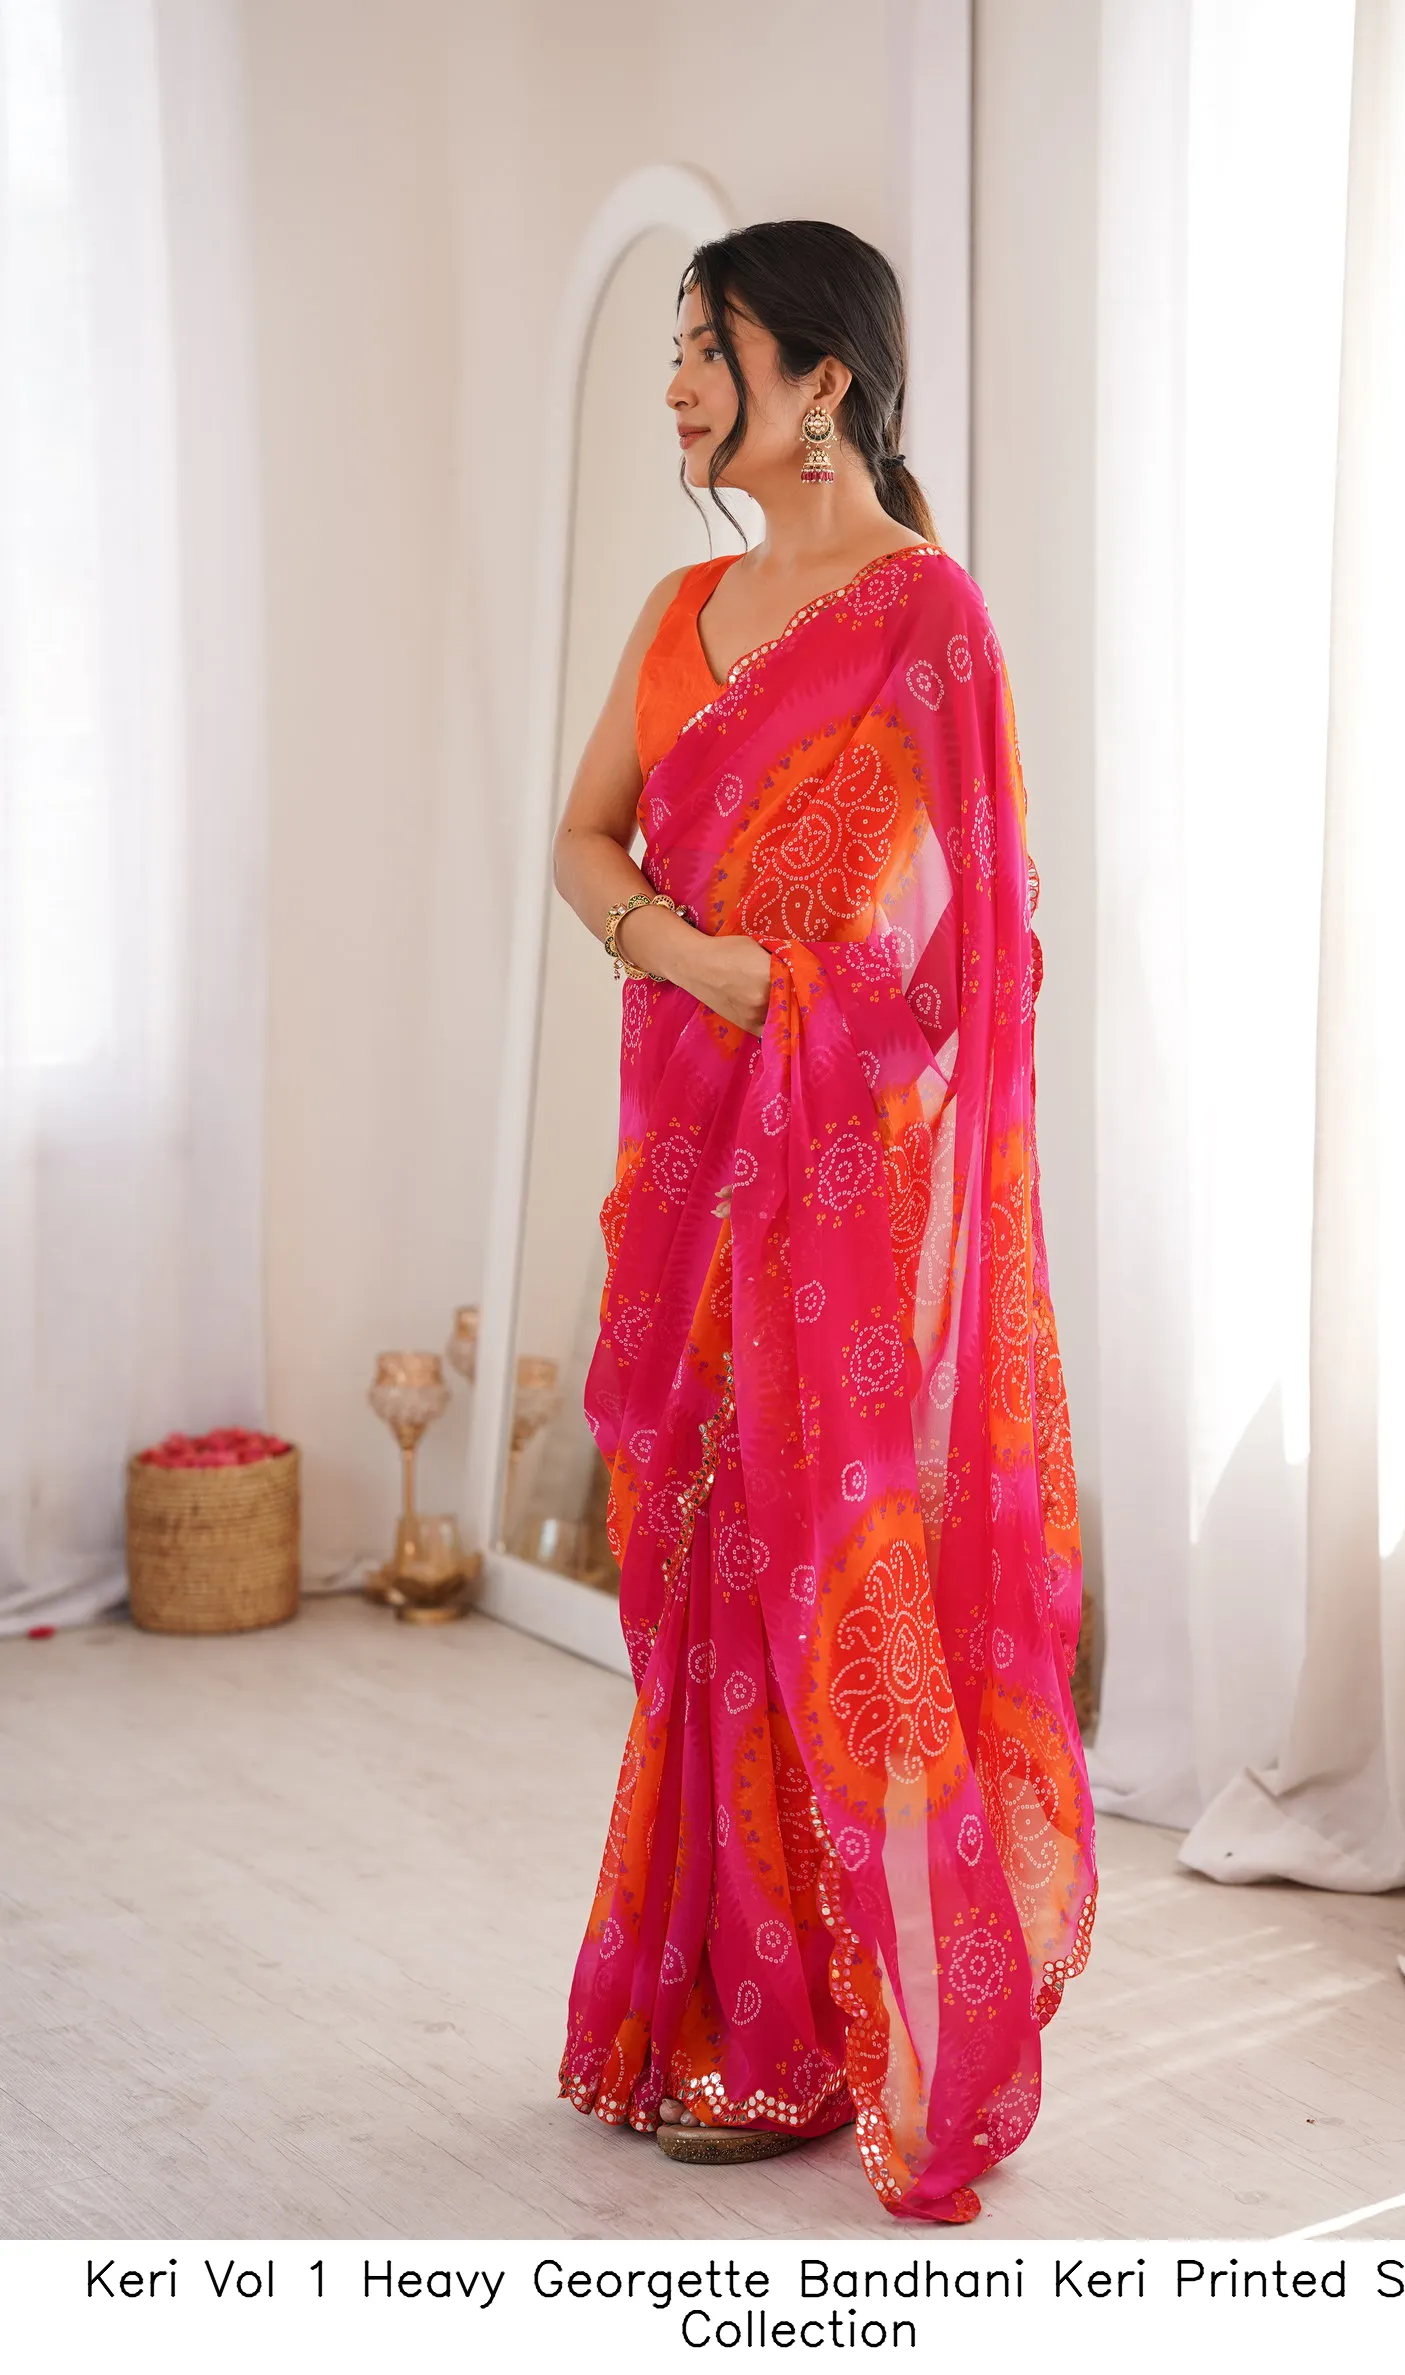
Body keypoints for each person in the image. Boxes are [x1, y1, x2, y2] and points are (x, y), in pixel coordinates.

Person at [550, 220, 1096, 2227]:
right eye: (675, 351)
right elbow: (577, 838)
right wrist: (686, 957)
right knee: (698, 1567)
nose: (679, 385)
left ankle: (859, 2038)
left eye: (710, 348)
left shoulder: (923, 613)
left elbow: (983, 949)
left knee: (832, 1583)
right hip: (684, 1155)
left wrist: (794, 1005)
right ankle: (716, 2015)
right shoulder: (680, 603)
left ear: (822, 381)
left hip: (839, 1188)